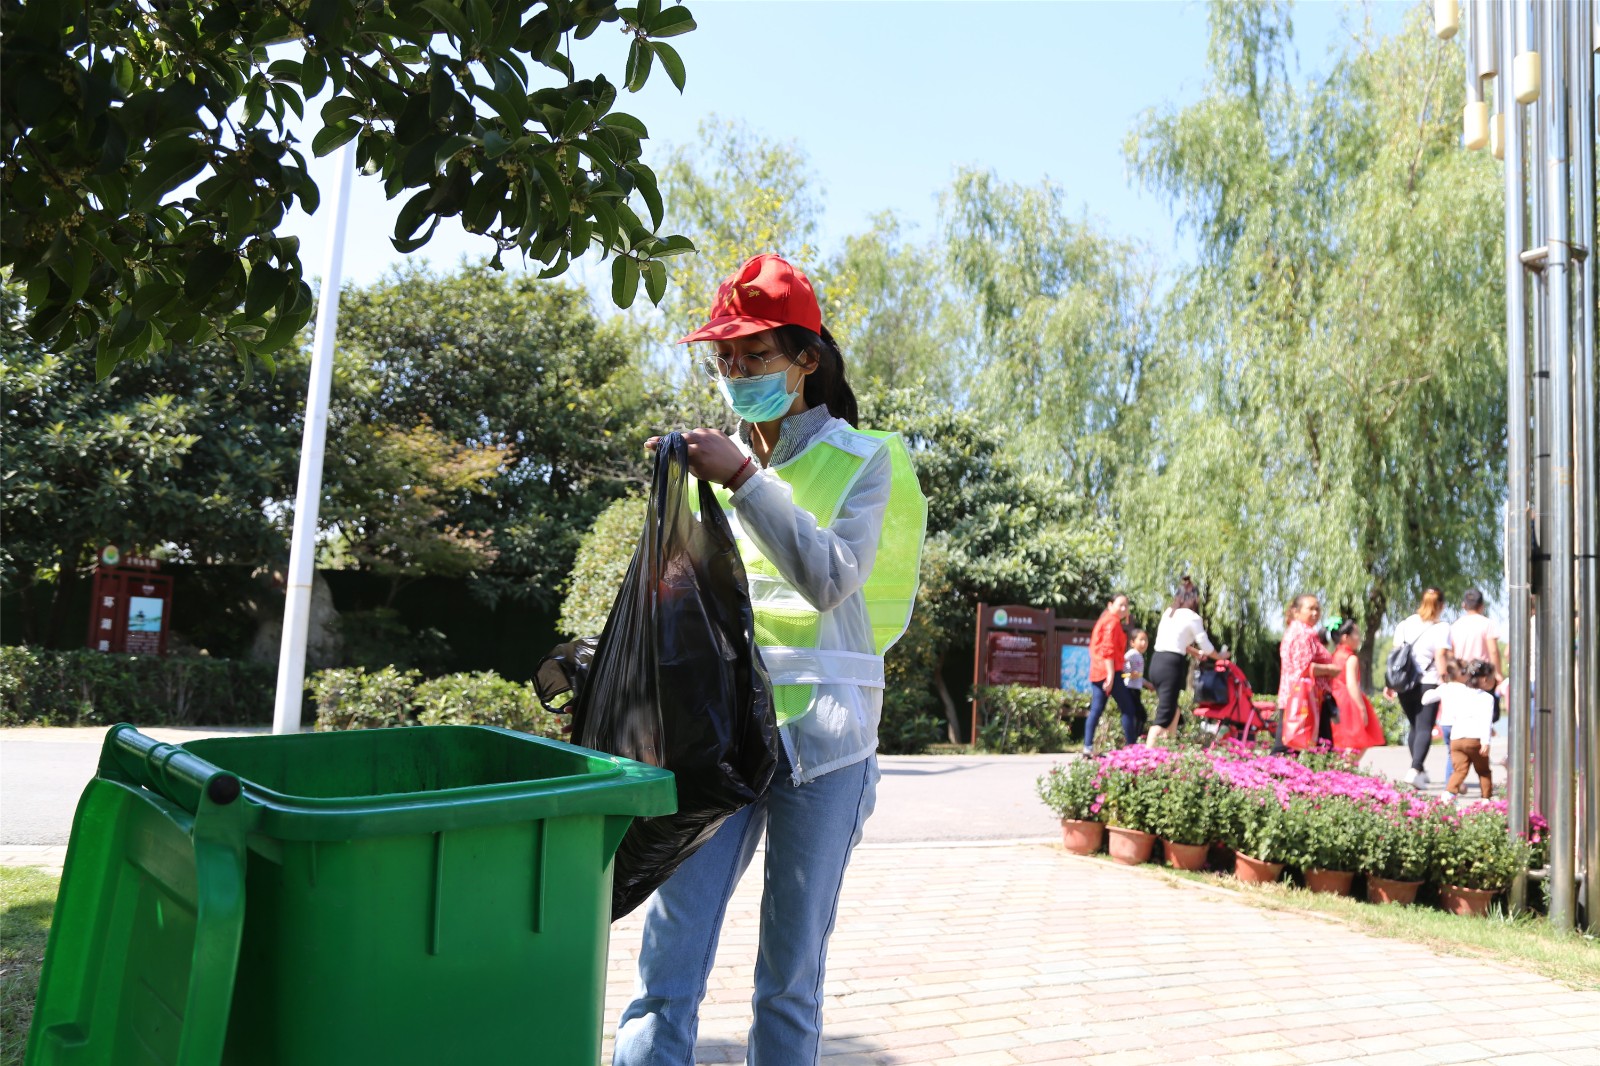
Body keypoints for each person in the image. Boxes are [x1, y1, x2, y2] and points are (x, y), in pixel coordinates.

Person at [613, 253, 928, 1066]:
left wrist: (745, 477)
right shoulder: (706, 466)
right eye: (725, 359)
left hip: (823, 747)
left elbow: (827, 579)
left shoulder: (866, 459)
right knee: (665, 965)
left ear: (807, 361)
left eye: (756, 356)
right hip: (716, 742)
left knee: (787, 981)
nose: (737, 372)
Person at [1386, 587, 1453, 789]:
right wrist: (1446, 680)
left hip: (1404, 683)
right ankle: (1415, 770)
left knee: (1415, 726)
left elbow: (1395, 656)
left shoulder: (1405, 624)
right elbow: (1441, 655)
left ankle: (1420, 770)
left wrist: (1389, 683)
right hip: (1428, 681)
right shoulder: (1441, 627)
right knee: (1424, 727)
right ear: (1441, 605)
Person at [1146, 578, 1224, 746]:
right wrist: (1221, 657)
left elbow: (1177, 641)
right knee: (1163, 717)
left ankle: (1169, 751)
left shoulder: (1169, 613)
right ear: (1195, 599)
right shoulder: (1192, 617)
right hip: (1170, 666)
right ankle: (1146, 759)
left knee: (1174, 710)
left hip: (1156, 662)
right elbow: (1207, 646)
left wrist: (1195, 653)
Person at [1424, 658, 1497, 800]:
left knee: (1459, 771)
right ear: (1483, 679)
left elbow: (1430, 700)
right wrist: (1485, 742)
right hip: (1475, 739)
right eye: (1491, 678)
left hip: (1456, 739)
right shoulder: (1487, 698)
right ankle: (1486, 799)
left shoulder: (1459, 692)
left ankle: (1448, 794)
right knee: (1483, 771)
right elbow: (1486, 721)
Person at [1276, 594, 1342, 750]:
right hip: (1304, 699)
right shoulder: (1303, 633)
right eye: (1310, 608)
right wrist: (1330, 670)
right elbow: (1303, 669)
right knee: (1296, 748)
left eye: (1317, 609)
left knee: (1292, 747)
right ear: (1297, 612)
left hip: (1300, 697)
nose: (1315, 613)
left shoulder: (1299, 631)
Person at [1083, 593, 1138, 754]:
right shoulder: (1112, 622)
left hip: (1099, 671)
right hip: (1108, 673)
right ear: (1110, 605)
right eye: (1120, 604)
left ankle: (1087, 747)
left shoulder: (1105, 620)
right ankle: (1132, 749)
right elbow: (1108, 650)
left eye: (1126, 605)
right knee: (1128, 708)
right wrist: (1111, 676)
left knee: (1096, 709)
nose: (1123, 608)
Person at [1328, 620, 1386, 753]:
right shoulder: (1351, 658)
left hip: (1334, 701)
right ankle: (1347, 769)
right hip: (1348, 702)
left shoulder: (1334, 656)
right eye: (1356, 634)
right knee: (1360, 742)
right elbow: (1352, 684)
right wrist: (1362, 708)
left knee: (1340, 741)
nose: (1359, 638)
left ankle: (1340, 769)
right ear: (1345, 637)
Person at [1444, 587, 1502, 683]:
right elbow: (1493, 651)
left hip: (1462, 675)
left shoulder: (1455, 626)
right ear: (1482, 606)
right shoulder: (1488, 624)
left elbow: (1450, 653)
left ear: (1464, 605)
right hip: (1482, 676)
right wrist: (1497, 673)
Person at [1125, 629, 1150, 740]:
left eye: (1145, 640)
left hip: (1136, 689)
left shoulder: (1138, 655)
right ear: (1132, 642)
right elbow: (1122, 667)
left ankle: (1134, 739)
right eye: (1141, 640)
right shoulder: (1131, 654)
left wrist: (1148, 684)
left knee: (1139, 716)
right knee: (1140, 715)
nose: (1144, 643)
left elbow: (1138, 676)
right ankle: (1134, 739)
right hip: (1130, 689)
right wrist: (1129, 674)